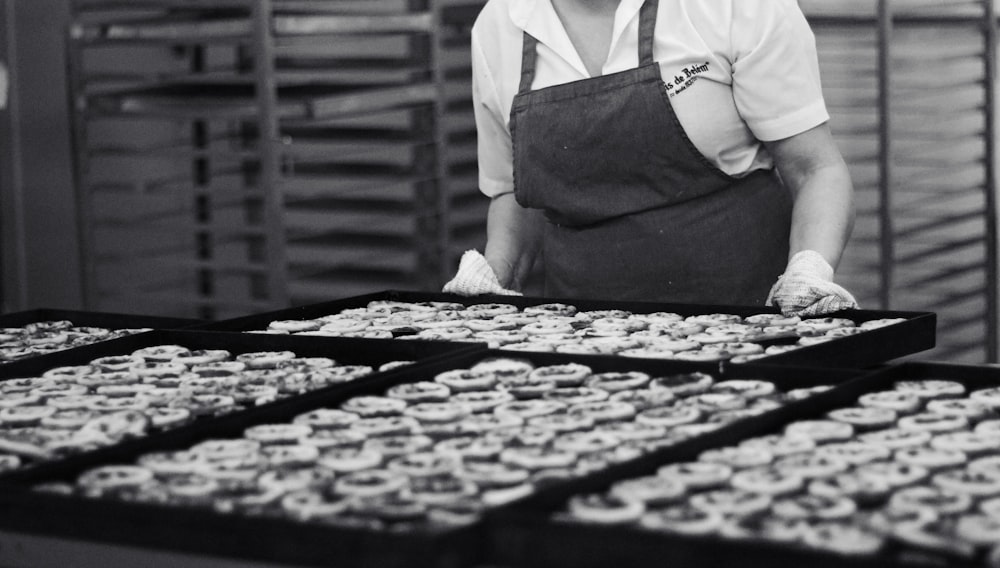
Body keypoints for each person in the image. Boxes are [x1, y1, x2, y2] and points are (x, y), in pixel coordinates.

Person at [444, 0, 857, 317]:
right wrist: (495, 275)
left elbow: (814, 169)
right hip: (580, 334)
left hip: (747, 317)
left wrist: (809, 273)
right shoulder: (500, 24)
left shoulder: (731, 7)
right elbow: (518, 195)